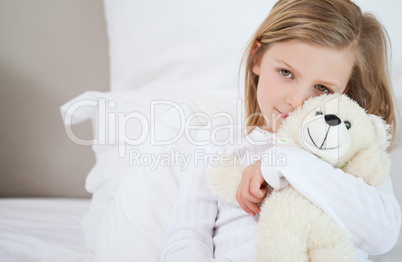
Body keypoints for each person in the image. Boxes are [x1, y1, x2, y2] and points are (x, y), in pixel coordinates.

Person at [162, 0, 401, 261]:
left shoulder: (353, 150)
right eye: (286, 72)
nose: (297, 101)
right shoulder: (219, 140)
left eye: (322, 88)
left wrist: (285, 161)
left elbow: (384, 236)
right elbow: (187, 238)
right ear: (258, 57)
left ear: (344, 93)